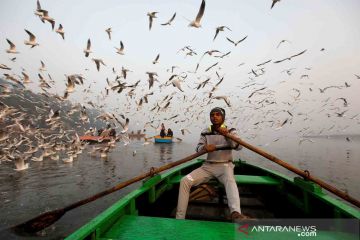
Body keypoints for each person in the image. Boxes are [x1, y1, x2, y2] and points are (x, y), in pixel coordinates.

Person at [175, 107, 250, 221]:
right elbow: (198, 148)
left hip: (225, 166)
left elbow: (239, 147)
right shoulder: (205, 132)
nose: (214, 117)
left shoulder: (230, 130)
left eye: (217, 114)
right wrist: (204, 148)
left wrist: (228, 136)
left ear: (222, 117)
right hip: (208, 166)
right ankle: (179, 219)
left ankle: (235, 213)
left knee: (230, 181)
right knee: (185, 180)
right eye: (212, 115)